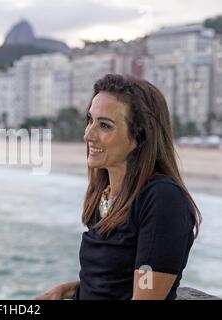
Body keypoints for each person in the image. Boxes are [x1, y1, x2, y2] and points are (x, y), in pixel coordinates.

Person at [36, 74, 202, 300]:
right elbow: (112, 281)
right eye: (89, 121)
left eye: (104, 125)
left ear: (140, 135)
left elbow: (146, 295)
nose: (88, 135)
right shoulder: (105, 195)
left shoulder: (162, 199)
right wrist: (69, 289)